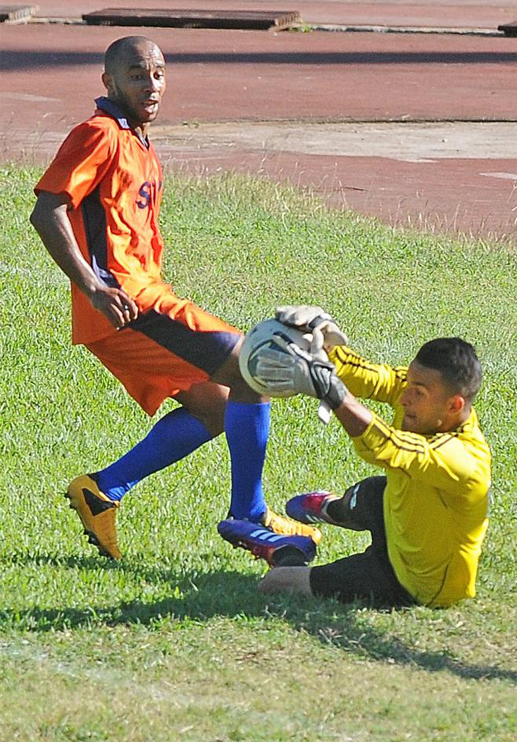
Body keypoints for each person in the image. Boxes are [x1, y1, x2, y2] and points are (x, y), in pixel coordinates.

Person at [29, 36, 321, 560]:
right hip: (126, 304)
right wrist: (94, 287)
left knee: (217, 405)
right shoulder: (98, 134)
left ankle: (103, 490)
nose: (151, 85)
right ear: (109, 82)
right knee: (251, 365)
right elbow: (47, 210)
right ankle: (249, 517)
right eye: (138, 75)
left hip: (146, 298)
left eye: (159, 74)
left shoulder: (141, 144)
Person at [219, 311, 492, 609]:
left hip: (409, 582)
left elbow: (387, 447)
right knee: (374, 492)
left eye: (418, 392)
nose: (404, 398)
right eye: (409, 385)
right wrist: (318, 344)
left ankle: (286, 548)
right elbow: (369, 376)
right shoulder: (424, 399)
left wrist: (336, 396)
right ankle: (333, 508)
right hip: (399, 521)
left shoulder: (464, 461)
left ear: (454, 405)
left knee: (276, 585)